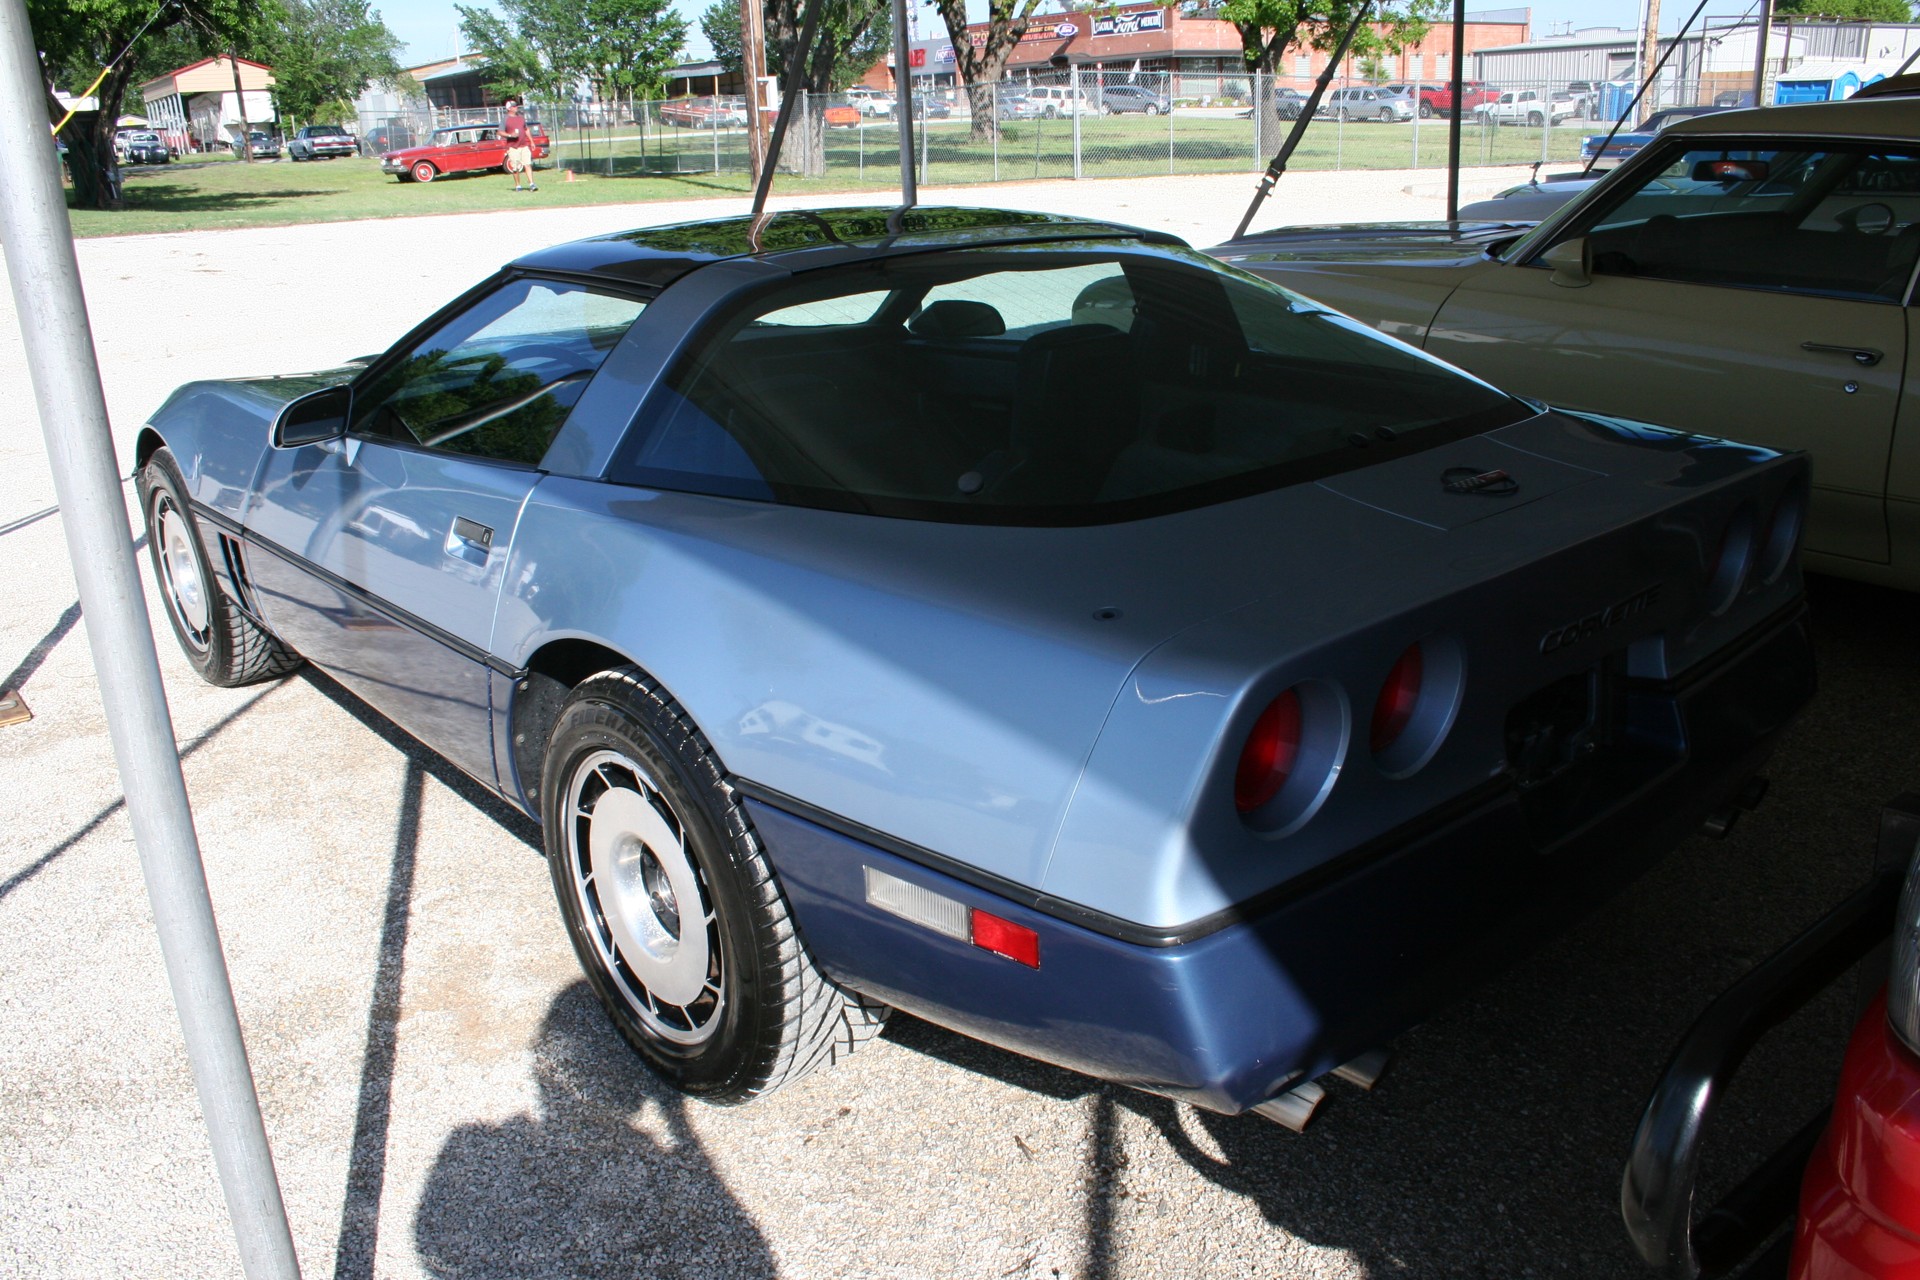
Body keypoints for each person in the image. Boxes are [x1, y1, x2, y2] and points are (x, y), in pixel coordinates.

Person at [502, 97, 535, 191]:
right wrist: (510, 135)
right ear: (509, 108)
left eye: (516, 106)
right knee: (515, 167)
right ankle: (518, 185)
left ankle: (532, 184)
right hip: (513, 147)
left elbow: (526, 129)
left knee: (527, 164)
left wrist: (531, 141)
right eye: (514, 106)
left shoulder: (521, 118)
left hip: (524, 146)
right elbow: (500, 132)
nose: (516, 107)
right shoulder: (505, 119)